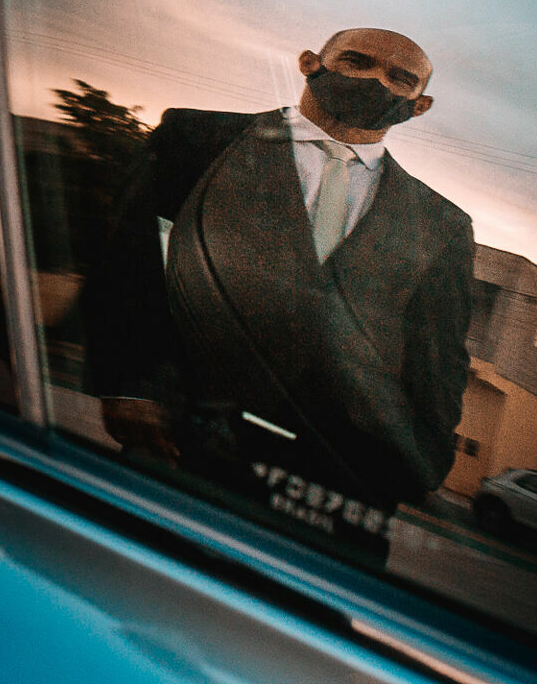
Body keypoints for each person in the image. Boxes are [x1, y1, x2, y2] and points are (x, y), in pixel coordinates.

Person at [84, 28, 473, 541]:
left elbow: (438, 358)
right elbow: (128, 264)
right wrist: (131, 384)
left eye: (400, 78)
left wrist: (413, 465)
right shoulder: (194, 138)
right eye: (358, 61)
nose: (379, 80)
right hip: (182, 441)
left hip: (336, 489)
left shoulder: (442, 224)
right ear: (310, 63)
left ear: (418, 106)